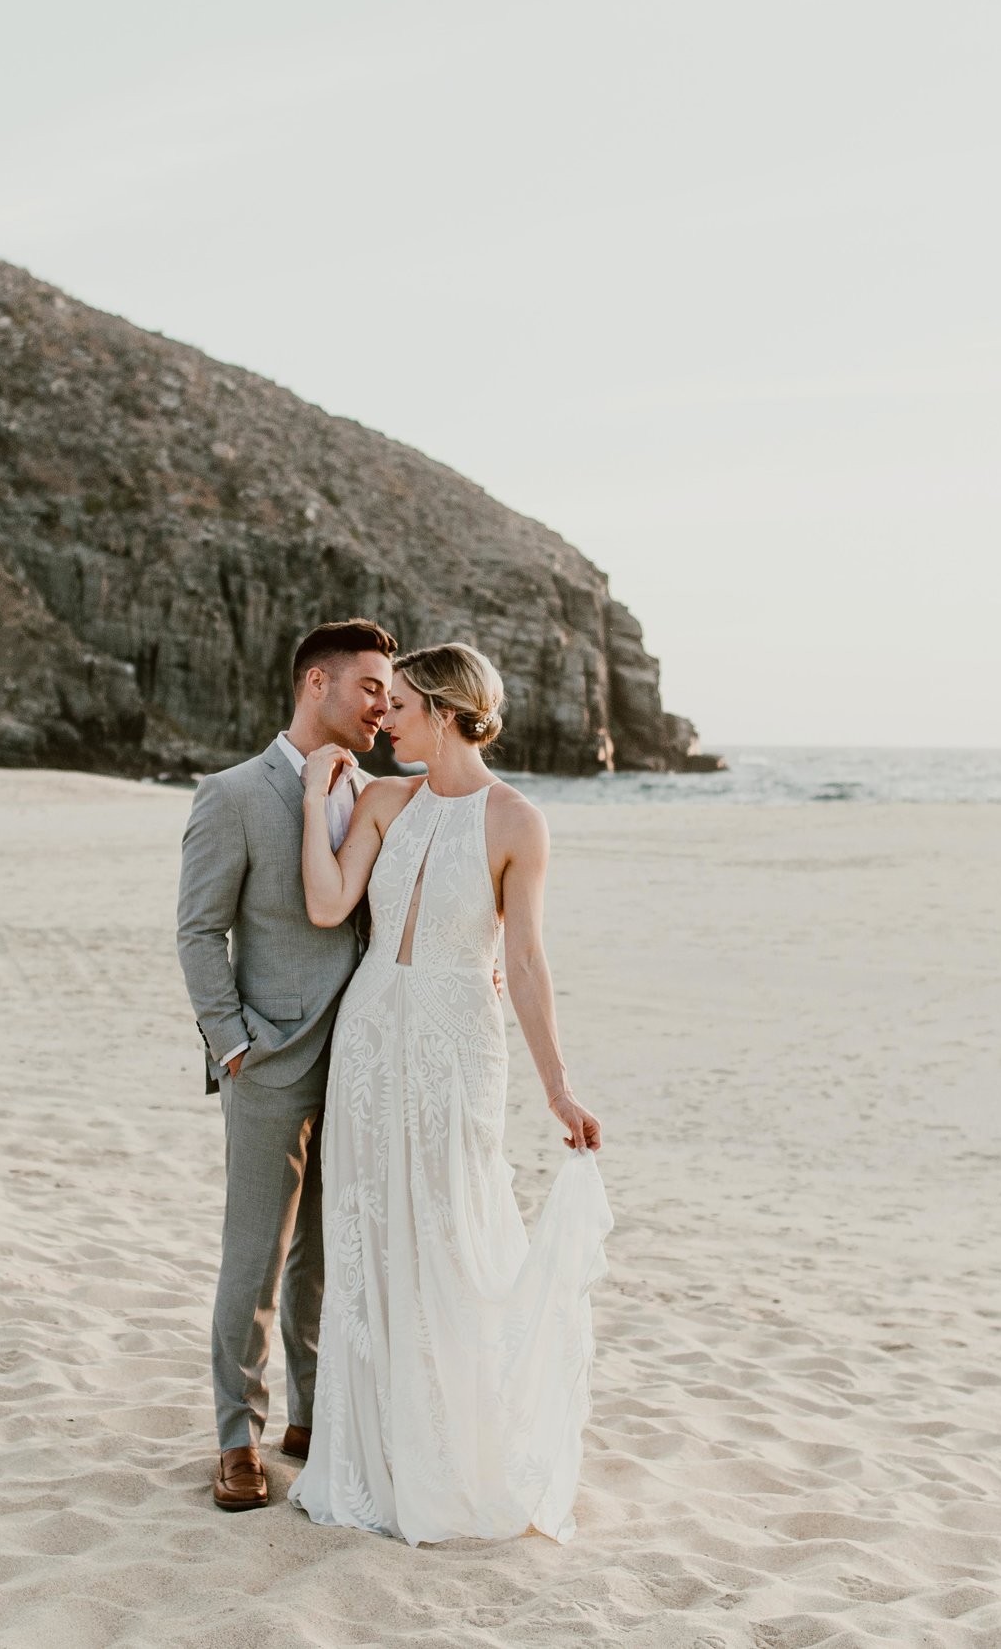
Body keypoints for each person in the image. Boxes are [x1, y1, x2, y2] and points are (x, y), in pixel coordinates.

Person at [287, 641, 611, 1545]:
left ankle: (454, 1450)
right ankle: (372, 1456)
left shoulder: (518, 822)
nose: (383, 717)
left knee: (451, 1230)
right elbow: (325, 904)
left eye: (400, 706)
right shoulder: (384, 800)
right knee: (369, 1236)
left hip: (459, 1042)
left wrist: (560, 1087)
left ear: (445, 710)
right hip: (369, 1034)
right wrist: (316, 801)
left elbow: (528, 959)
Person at [175, 618, 397, 1512]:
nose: (386, 704)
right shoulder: (231, 794)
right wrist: (230, 1041)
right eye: (372, 687)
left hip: (361, 1060)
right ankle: (238, 1438)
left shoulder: (380, 793)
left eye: (390, 692)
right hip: (267, 1060)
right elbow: (198, 930)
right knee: (254, 1258)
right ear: (318, 684)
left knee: (322, 1257)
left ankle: (309, 1420)